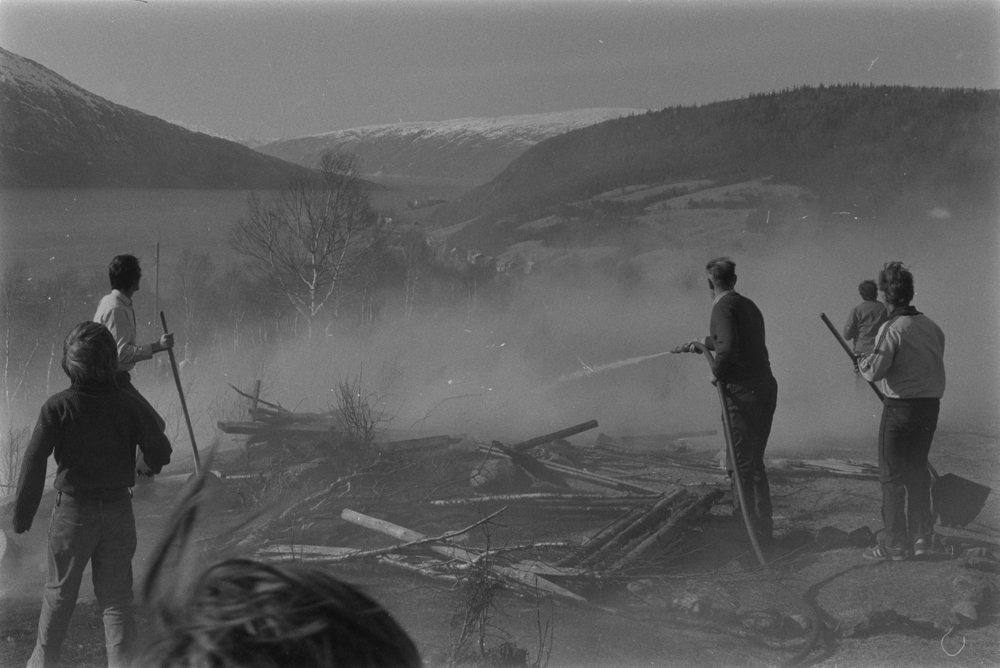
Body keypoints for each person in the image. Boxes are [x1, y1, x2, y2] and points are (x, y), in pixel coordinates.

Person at [12, 321, 173, 668]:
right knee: (116, 600)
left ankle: (44, 663)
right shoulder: (127, 402)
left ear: (69, 367)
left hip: (72, 515)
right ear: (111, 360)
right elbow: (160, 448)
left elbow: (34, 460)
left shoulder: (58, 406)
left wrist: (22, 516)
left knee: (59, 595)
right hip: (117, 510)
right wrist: (146, 468)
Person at [676, 257, 778, 543]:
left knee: (740, 464)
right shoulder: (748, 305)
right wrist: (704, 343)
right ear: (735, 279)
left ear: (710, 283)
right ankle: (762, 531)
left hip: (742, 393)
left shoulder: (721, 307)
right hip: (765, 387)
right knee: (754, 462)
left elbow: (730, 346)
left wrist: (717, 371)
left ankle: (746, 534)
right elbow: (739, 340)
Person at [858, 261, 945, 561]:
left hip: (899, 410)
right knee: (917, 472)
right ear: (910, 292)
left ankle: (895, 544)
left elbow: (874, 371)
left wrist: (861, 361)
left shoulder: (891, 328)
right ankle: (922, 538)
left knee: (892, 477)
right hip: (929, 409)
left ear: (885, 296)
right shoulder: (932, 327)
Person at [93, 254, 173, 432]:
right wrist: (157, 346)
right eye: (139, 274)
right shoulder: (116, 308)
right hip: (113, 383)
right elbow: (120, 353)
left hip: (112, 380)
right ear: (132, 278)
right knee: (155, 426)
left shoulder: (110, 302)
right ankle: (136, 462)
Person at [842, 279, 888, 369]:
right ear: (876, 293)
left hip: (861, 355)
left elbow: (847, 335)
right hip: (880, 354)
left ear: (862, 295)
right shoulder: (885, 309)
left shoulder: (857, 311)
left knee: (862, 381)